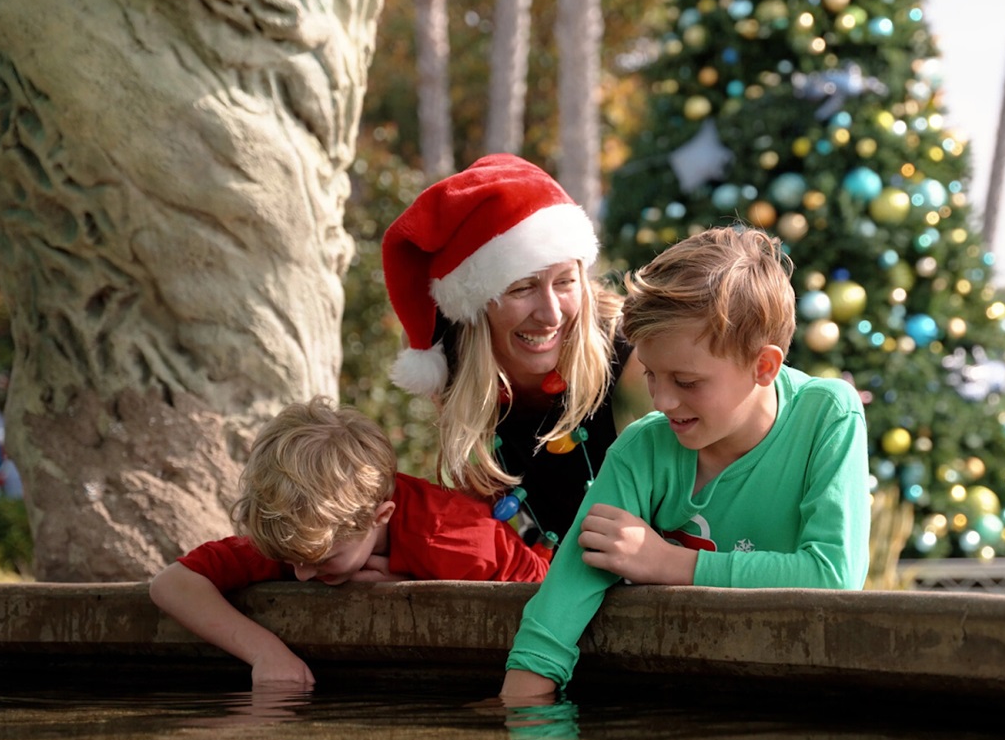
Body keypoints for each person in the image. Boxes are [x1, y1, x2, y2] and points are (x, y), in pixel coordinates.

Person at [497, 225, 871, 701]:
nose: (663, 402)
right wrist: (519, 713)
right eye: (652, 375)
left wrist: (667, 562)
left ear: (763, 366)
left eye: (687, 382)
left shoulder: (828, 415)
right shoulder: (642, 448)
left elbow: (833, 576)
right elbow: (559, 608)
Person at [149, 396, 549, 687]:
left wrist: (418, 587)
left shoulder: (452, 540)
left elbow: (543, 588)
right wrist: (265, 652)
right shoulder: (298, 534)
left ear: (381, 517)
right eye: (293, 560)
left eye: (322, 560)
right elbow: (171, 584)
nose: (301, 576)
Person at [382, 154, 637, 556]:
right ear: (476, 305)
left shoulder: (632, 356)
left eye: (565, 282)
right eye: (522, 288)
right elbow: (478, 511)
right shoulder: (455, 362)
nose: (551, 314)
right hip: (547, 570)